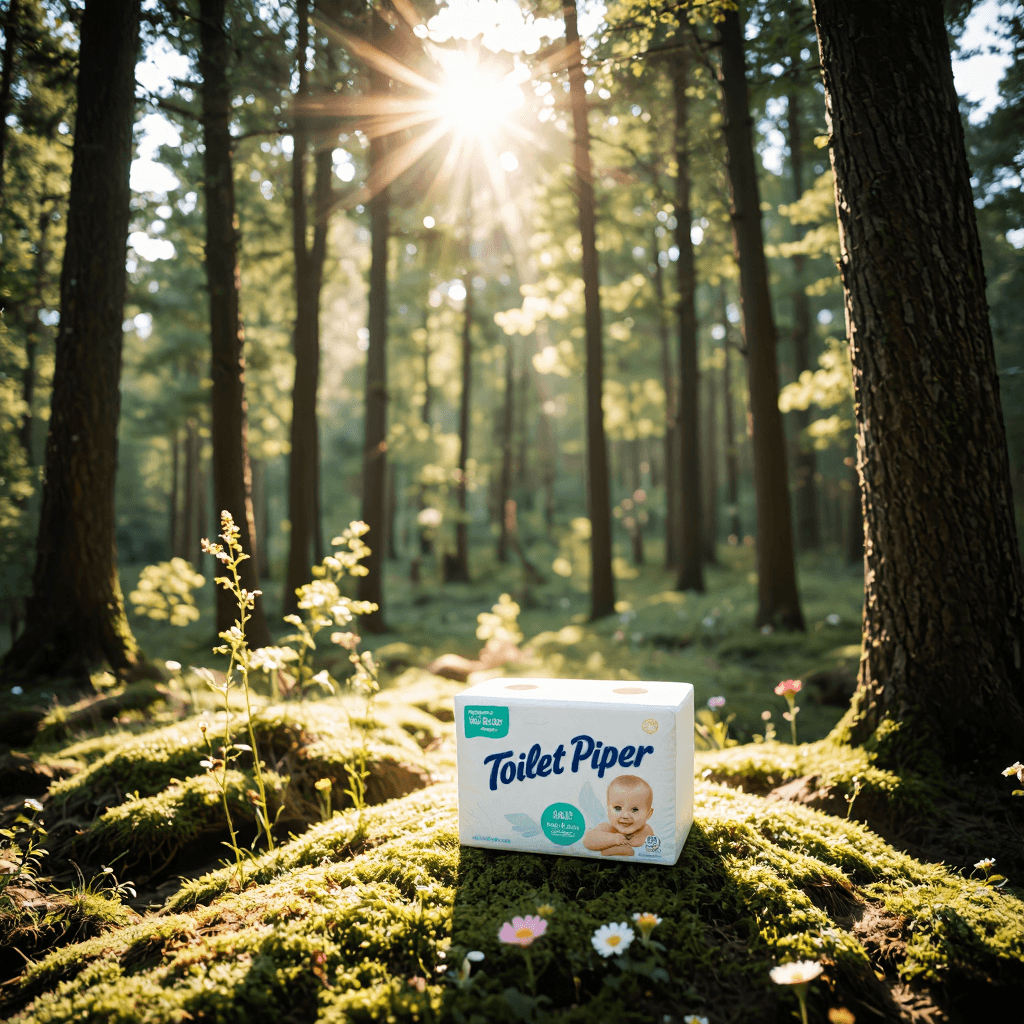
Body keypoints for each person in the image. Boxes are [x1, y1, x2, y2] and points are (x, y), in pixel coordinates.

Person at [582, 774, 655, 857]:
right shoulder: (607, 828)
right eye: (617, 808)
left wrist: (633, 841)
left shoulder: (645, 830)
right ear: (608, 809)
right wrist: (614, 839)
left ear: (648, 814)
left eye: (635, 810)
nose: (625, 816)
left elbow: (644, 842)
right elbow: (587, 841)